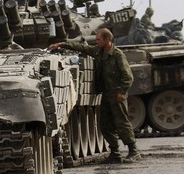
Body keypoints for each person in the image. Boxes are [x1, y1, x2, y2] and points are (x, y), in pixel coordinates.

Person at [48, 28, 141, 163]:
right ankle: (115, 153)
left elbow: (128, 76)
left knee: (122, 123)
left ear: (107, 40)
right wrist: (62, 44)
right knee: (105, 125)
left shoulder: (117, 55)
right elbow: (81, 47)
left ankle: (133, 151)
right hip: (105, 94)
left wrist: (122, 92)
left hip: (116, 94)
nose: (96, 42)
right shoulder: (98, 51)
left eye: (98, 40)